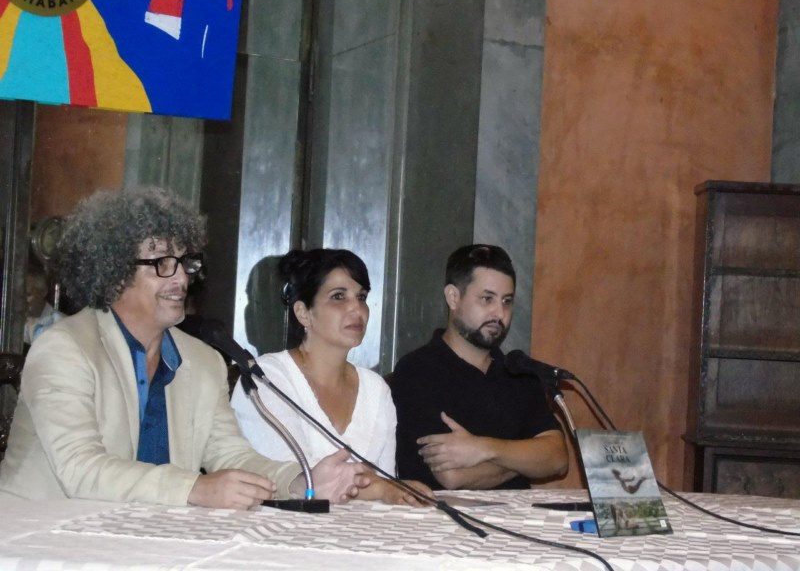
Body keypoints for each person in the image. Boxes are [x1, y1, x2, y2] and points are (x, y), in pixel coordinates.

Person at [0, 188, 366, 508]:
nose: (180, 278)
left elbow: (230, 456)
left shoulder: (203, 360)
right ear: (111, 272)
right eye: (161, 263)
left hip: (144, 540)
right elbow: (81, 469)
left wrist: (300, 481)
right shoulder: (64, 349)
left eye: (185, 262)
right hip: (43, 540)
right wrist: (196, 488)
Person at [232, 249, 432, 506]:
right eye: (338, 297)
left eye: (361, 297)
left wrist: (388, 489)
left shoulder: (375, 388)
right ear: (304, 313)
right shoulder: (266, 377)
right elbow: (281, 480)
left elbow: (386, 481)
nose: (356, 309)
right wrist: (383, 489)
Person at [391, 244, 568, 490]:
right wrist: (524, 457)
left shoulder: (519, 371)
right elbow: (453, 478)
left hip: (518, 522)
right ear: (453, 297)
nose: (499, 313)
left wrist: (482, 448)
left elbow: (557, 458)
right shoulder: (417, 371)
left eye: (507, 301)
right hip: (444, 524)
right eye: (487, 299)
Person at [24, 262, 64, 346]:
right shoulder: (14, 323)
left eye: (28, 294)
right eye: (18, 294)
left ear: (43, 292)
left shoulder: (59, 323)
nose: (22, 300)